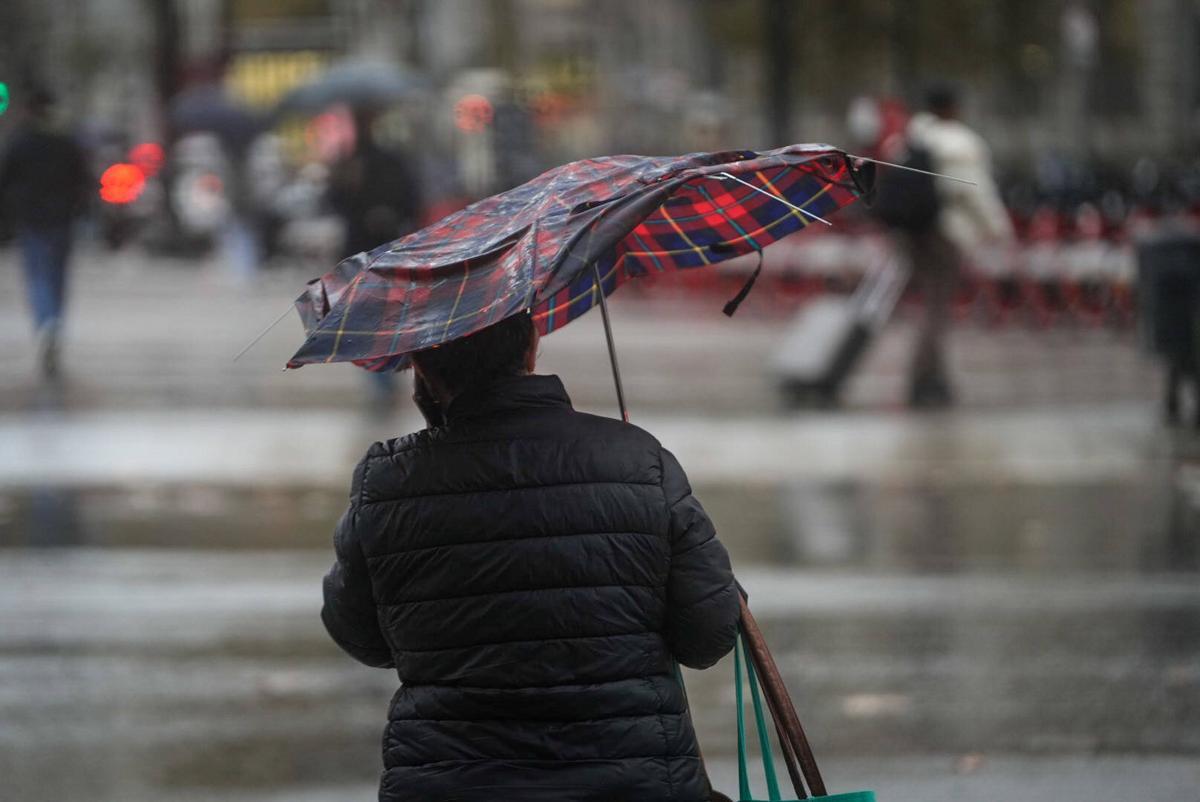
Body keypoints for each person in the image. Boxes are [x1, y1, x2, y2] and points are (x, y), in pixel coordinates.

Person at [320, 312, 741, 801]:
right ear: (532, 347)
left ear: (422, 369)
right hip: (636, 782)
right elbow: (707, 636)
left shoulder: (387, 481)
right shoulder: (637, 458)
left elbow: (361, 636)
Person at [898, 82, 1013, 407]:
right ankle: (925, 380)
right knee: (937, 308)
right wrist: (998, 230)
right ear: (951, 108)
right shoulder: (959, 142)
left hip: (912, 234)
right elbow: (974, 191)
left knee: (928, 306)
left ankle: (934, 376)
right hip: (946, 233)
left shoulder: (912, 137)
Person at [328, 106, 423, 408]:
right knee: (373, 316)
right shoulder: (350, 162)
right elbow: (336, 202)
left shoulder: (382, 161)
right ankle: (381, 376)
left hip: (382, 249)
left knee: (380, 316)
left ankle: (384, 374)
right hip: (369, 250)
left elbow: (410, 200)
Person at [0, 88, 92, 378]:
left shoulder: (21, 142)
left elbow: (5, 179)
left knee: (37, 273)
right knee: (57, 275)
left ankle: (46, 322)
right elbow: (83, 180)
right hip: (61, 219)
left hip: (31, 219)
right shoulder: (67, 142)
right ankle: (54, 322)